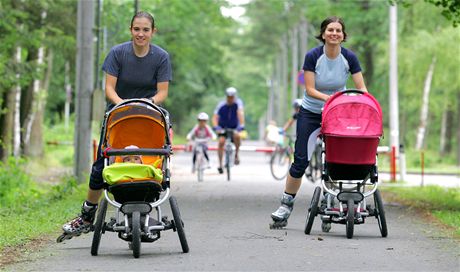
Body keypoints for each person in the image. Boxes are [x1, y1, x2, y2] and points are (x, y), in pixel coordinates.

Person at [61, 11, 172, 239]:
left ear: (153, 32)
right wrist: (124, 104)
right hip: (118, 114)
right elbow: (109, 88)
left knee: (155, 155)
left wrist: (146, 104)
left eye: (145, 30)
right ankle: (87, 214)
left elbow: (162, 92)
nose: (141, 34)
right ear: (131, 30)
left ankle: (147, 197)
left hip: (150, 114)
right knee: (101, 164)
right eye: (137, 29)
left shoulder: (161, 57)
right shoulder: (118, 53)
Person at [270, 16, 367, 229]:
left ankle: (329, 199)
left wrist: (363, 104)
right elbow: (310, 89)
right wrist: (331, 98)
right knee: (301, 161)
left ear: (343, 35)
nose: (334, 33)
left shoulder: (349, 57)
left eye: (338, 30)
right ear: (323, 34)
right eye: (330, 30)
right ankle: (286, 205)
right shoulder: (313, 56)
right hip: (311, 113)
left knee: (337, 160)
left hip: (337, 114)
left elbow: (361, 88)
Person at [212, 87, 245, 174]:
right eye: (229, 97)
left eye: (232, 97)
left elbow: (240, 114)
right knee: (221, 142)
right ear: (226, 96)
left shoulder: (238, 103)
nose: (230, 99)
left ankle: (236, 155)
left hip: (234, 127)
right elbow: (215, 117)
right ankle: (220, 164)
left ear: (235, 96)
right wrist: (216, 127)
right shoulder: (221, 104)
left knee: (237, 136)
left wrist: (241, 125)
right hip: (223, 127)